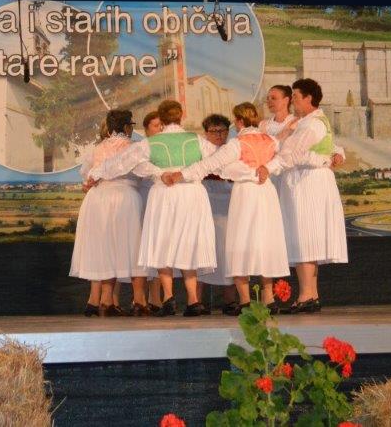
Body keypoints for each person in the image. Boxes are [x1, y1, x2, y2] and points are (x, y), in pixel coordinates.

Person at [88, 100, 217, 317]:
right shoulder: (197, 140)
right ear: (181, 115)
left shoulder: (150, 143)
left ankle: (168, 297)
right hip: (192, 194)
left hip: (164, 193)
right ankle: (193, 300)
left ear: (162, 118)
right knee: (189, 242)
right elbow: (219, 160)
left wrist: (95, 174)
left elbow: (122, 163)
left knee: (163, 242)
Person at [165, 102, 290, 312]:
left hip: (246, 194)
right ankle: (269, 299)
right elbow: (285, 158)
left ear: (239, 121)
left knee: (240, 241)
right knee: (266, 241)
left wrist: (182, 174)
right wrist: (265, 169)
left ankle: (244, 301)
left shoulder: (237, 143)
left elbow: (210, 163)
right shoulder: (271, 140)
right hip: (266, 193)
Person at [256, 79, 349, 313]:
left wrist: (269, 167)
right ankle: (311, 294)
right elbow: (327, 147)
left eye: (296, 96)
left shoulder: (310, 125)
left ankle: (307, 295)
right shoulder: (314, 120)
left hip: (306, 184)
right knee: (307, 237)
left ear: (309, 98)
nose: (294, 100)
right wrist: (334, 155)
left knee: (304, 236)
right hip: (309, 181)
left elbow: (291, 153)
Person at [71, 110, 149, 317]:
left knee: (106, 247)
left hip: (98, 198)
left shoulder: (97, 149)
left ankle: (105, 300)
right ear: (126, 127)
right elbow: (144, 172)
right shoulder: (134, 148)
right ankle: (139, 300)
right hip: (124, 196)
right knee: (134, 246)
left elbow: (86, 175)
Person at [196, 114, 236, 314]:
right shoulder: (200, 152)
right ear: (206, 133)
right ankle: (196, 301)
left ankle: (230, 300)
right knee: (202, 251)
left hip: (228, 205)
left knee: (227, 251)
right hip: (206, 203)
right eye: (214, 131)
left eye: (223, 131)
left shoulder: (233, 150)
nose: (219, 135)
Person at [139, 110, 164, 313]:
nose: (160, 129)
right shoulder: (141, 149)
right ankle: (140, 298)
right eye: (156, 126)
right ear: (146, 130)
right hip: (143, 201)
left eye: (162, 125)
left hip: (161, 202)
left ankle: (156, 298)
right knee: (143, 249)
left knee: (158, 247)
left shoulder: (166, 148)